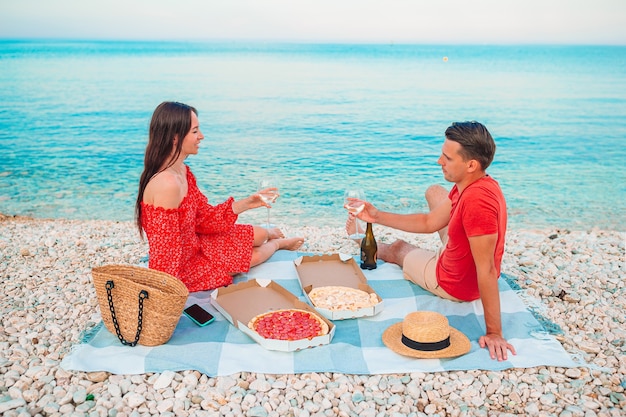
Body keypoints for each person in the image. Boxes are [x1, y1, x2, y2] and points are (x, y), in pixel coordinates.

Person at [346, 121, 516, 361]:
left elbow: (486, 269)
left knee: (399, 249)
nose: (439, 161)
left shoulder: (478, 204)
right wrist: (377, 216)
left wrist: (494, 333)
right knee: (435, 191)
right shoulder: (474, 183)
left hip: (452, 281)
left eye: (447, 158)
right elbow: (428, 223)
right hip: (459, 248)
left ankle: (364, 242)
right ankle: (373, 231)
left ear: (471, 164)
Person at [135, 101, 304, 292]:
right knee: (253, 257)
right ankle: (277, 244)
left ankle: (268, 235)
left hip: (197, 240)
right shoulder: (168, 184)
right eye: (195, 131)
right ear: (175, 137)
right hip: (183, 267)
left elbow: (204, 218)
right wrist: (167, 292)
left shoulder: (183, 171)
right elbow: (165, 252)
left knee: (257, 235)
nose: (202, 136)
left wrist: (248, 203)